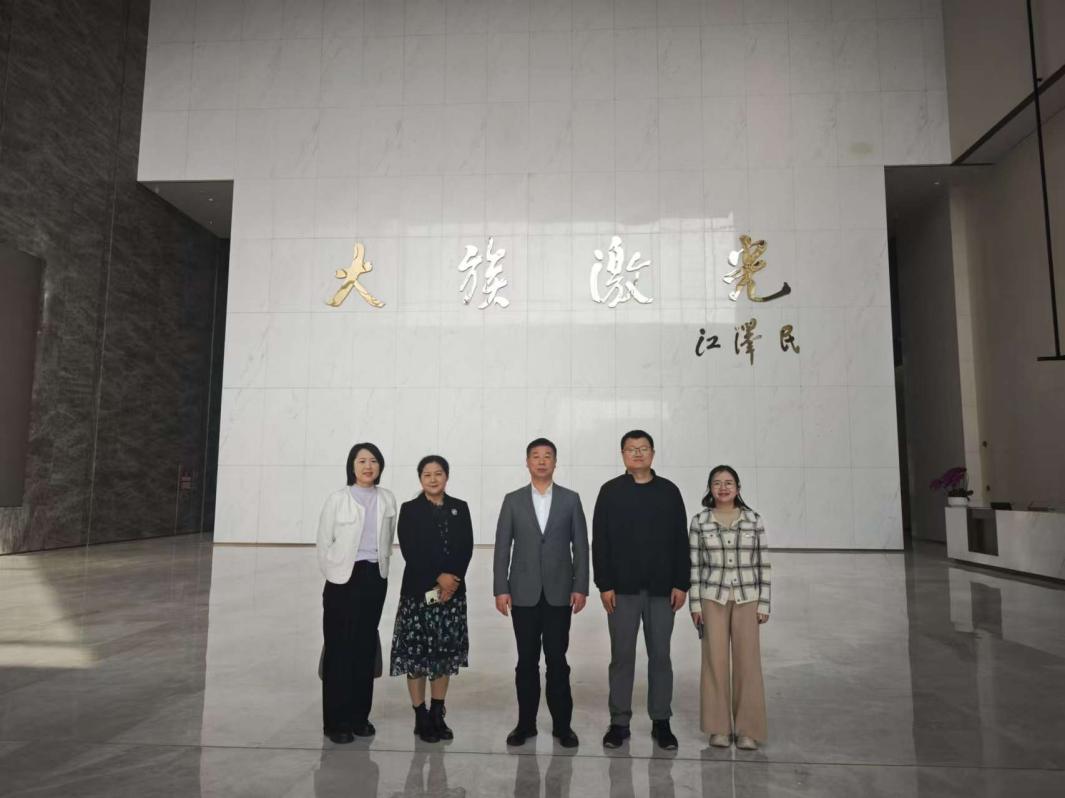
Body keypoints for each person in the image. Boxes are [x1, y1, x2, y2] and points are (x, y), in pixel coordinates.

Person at [592, 430, 690, 751]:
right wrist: (604, 584)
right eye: (631, 449)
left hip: (662, 590)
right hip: (622, 591)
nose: (637, 454)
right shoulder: (610, 492)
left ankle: (661, 721)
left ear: (653, 453)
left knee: (660, 656)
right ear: (622, 454)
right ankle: (619, 722)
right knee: (622, 656)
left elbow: (680, 540)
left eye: (643, 448)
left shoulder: (669, 491)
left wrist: (681, 583)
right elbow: (600, 542)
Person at [493, 438, 589, 748]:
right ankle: (525, 725)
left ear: (555, 462)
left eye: (548, 456)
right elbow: (502, 547)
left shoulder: (571, 500)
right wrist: (500, 588)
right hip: (523, 593)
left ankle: (563, 726)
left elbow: (581, 546)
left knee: (557, 660)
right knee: (526, 661)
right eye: (536, 456)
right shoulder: (513, 500)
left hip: (560, 593)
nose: (542, 461)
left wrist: (580, 586)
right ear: (527, 462)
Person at [316, 442, 397, 744]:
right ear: (352, 466)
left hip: (375, 578)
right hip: (342, 581)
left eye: (373, 461)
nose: (368, 466)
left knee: (365, 646)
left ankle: (360, 717)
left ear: (380, 466)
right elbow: (324, 543)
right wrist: (336, 573)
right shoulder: (338, 499)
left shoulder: (387, 499)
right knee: (339, 648)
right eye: (362, 461)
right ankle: (335, 722)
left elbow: (387, 539)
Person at [390, 455, 474, 743]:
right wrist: (439, 577)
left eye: (438, 473)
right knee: (417, 657)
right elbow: (411, 551)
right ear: (420, 479)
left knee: (443, 657)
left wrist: (451, 582)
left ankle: (438, 713)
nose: (433, 479)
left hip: (451, 596)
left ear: (446, 477)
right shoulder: (409, 510)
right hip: (419, 595)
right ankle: (420, 716)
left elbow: (466, 548)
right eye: (427, 474)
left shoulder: (460, 508)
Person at [688, 465, 770, 750]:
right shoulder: (700, 521)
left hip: (748, 599)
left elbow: (763, 564)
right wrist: (695, 604)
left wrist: (764, 603)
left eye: (728, 483)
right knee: (715, 662)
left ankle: (748, 730)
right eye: (717, 483)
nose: (723, 488)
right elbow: (695, 567)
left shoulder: (753, 520)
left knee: (748, 664)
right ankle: (718, 728)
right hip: (713, 599)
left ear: (738, 488)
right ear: (710, 488)